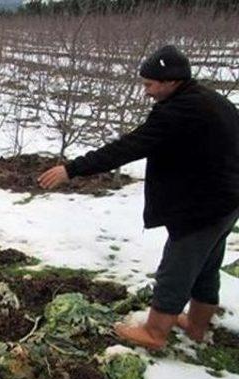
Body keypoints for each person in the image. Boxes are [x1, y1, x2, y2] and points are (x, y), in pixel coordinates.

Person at [37, 45, 239, 350]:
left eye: (150, 84)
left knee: (177, 268)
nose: (146, 92)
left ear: (171, 81)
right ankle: (196, 326)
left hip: (202, 207)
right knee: (207, 266)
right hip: (227, 202)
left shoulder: (176, 113)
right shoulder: (210, 99)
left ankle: (155, 333)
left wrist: (72, 169)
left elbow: (128, 147)